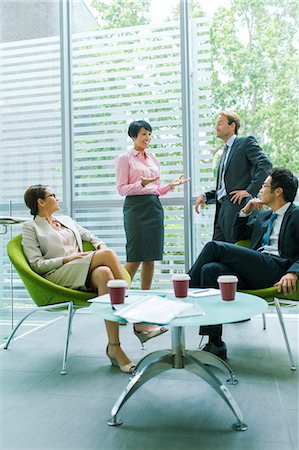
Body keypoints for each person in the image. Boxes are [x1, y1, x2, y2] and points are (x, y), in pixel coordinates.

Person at [22, 184, 135, 373]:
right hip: (57, 274)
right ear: (40, 202)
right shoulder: (31, 228)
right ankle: (135, 313)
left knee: (105, 274)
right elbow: (36, 265)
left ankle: (114, 347)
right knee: (107, 255)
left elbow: (91, 237)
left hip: (81, 270)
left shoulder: (66, 220)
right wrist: (67, 258)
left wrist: (98, 245)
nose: (57, 198)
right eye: (52, 195)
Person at [189, 167, 299, 359]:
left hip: (277, 271)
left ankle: (184, 293)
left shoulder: (296, 215)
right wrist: (245, 211)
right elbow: (237, 237)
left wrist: (293, 273)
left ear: (278, 191)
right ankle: (215, 343)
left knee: (214, 247)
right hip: (256, 269)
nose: (260, 190)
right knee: (210, 269)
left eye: (264, 186)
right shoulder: (264, 216)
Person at [116, 120, 190, 344]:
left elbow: (155, 189)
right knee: (135, 258)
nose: (147, 138)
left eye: (149, 134)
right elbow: (121, 189)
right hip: (136, 209)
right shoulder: (125, 159)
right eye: (143, 134)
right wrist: (141, 183)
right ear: (133, 136)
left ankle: (144, 304)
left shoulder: (153, 159)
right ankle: (118, 304)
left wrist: (170, 186)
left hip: (154, 207)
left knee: (150, 259)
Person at [194, 111, 272, 243]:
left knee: (232, 250)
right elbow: (224, 188)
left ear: (232, 126)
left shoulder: (245, 142)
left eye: (220, 123)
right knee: (217, 251)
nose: (216, 127)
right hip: (222, 210)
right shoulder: (224, 152)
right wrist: (206, 195)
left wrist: (249, 191)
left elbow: (265, 164)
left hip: (237, 208)